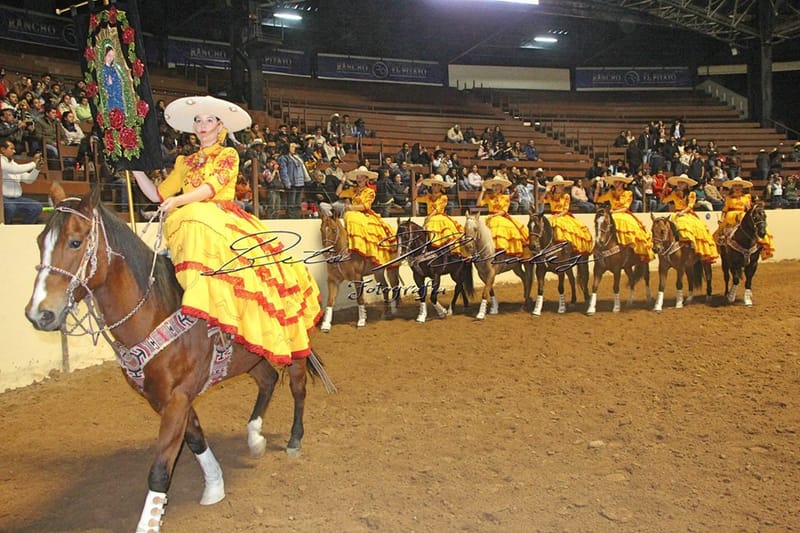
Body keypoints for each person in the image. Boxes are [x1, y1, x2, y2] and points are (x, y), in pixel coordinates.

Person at [131, 95, 320, 366]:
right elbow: (158, 195)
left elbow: (210, 188)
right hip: (192, 218)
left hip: (219, 216)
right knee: (187, 218)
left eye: (209, 120)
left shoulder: (228, 154)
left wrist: (180, 201)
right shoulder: (185, 162)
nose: (202, 125)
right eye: (198, 120)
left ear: (220, 126)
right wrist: (135, 170)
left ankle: (219, 317)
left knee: (194, 216)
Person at [336, 165, 397, 267]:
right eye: (358, 177)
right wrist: (343, 181)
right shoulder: (353, 190)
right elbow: (338, 193)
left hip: (364, 213)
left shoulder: (370, 191)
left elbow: (366, 206)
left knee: (351, 216)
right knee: (348, 216)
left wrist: (351, 207)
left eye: (362, 177)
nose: (359, 179)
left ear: (366, 179)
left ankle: (356, 247)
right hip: (354, 212)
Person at [593, 174, 654, 263]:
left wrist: (613, 212)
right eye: (615, 182)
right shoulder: (610, 193)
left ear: (622, 183)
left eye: (618, 182)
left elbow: (625, 207)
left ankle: (633, 250)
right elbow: (596, 200)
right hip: (612, 214)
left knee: (633, 227)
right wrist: (598, 188)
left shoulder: (628, 193)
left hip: (623, 214)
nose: (616, 184)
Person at [659, 174, 718, 264]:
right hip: (676, 214)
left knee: (693, 226)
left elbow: (690, 206)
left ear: (686, 185)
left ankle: (693, 246)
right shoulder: (674, 194)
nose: (679, 185)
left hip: (687, 213)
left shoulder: (691, 194)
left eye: (682, 183)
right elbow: (663, 200)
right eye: (678, 183)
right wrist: (664, 189)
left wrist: (682, 212)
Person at [716, 177, 775, 259]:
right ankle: (723, 242)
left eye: (739, 186)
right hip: (730, 217)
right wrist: (721, 219)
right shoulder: (729, 198)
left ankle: (761, 242)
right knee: (721, 230)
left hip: (743, 215)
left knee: (760, 227)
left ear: (742, 187)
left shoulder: (747, 197)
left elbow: (749, 208)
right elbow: (725, 210)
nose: (737, 188)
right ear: (732, 187)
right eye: (735, 186)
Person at [476, 176, 530, 257]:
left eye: (498, 185)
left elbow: (504, 211)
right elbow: (478, 204)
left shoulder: (506, 197)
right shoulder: (489, 197)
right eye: (494, 185)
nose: (495, 187)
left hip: (501, 217)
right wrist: (483, 191)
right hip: (490, 218)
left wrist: (493, 216)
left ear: (501, 187)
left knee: (510, 231)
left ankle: (507, 251)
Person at [540, 175, 593, 256]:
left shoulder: (566, 196)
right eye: (559, 185)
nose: (561, 187)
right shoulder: (550, 196)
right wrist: (546, 191)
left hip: (563, 216)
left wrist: (558, 216)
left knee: (568, 229)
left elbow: (566, 209)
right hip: (553, 215)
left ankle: (567, 248)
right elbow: (540, 201)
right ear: (555, 186)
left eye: (562, 185)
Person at [415, 174, 466, 257]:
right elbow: (414, 198)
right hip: (430, 220)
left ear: (440, 187)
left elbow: (438, 209)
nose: (434, 187)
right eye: (433, 185)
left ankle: (452, 254)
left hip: (440, 218)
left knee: (447, 233)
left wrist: (429, 217)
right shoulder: (428, 197)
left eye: (436, 185)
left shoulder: (444, 197)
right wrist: (417, 186)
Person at [1, 140, 43, 224]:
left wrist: (36, 169)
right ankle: (5, 230)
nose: (14, 151)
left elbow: (28, 180)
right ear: (2, 149)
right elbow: (13, 170)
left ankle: (24, 228)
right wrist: (34, 163)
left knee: (36, 207)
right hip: (3, 199)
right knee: (10, 208)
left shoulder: (14, 164)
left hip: (17, 199)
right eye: (11, 148)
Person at [278, 141, 310, 219]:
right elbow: (283, 171)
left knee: (298, 203)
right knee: (291, 203)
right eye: (292, 146)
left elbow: (307, 157)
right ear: (287, 147)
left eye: (294, 146)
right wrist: (287, 182)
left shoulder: (297, 157)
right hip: (292, 183)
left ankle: (297, 217)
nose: (294, 148)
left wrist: (309, 146)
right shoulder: (284, 158)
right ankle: (291, 218)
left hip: (300, 182)